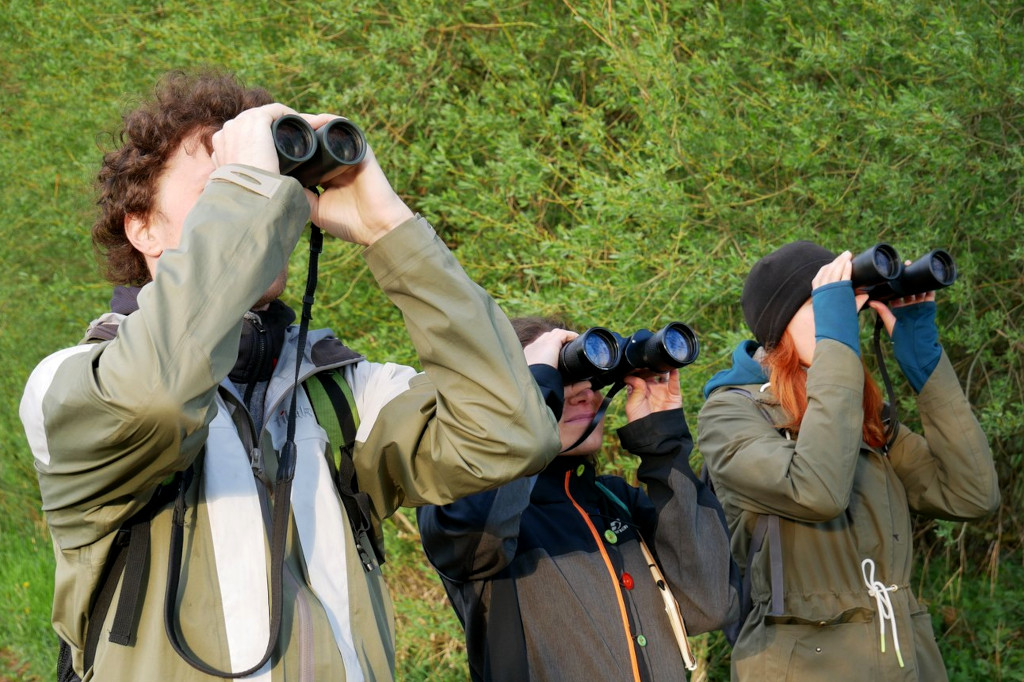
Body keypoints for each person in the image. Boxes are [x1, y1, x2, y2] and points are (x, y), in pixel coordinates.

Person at [19, 70, 561, 681]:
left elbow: (511, 431)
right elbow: (155, 397)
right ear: (142, 227)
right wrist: (246, 189)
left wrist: (389, 228)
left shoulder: (339, 393)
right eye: (222, 188)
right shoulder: (70, 383)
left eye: (277, 187)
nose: (267, 210)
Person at [697, 241, 1000, 681]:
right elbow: (817, 491)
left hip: (907, 657)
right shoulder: (729, 414)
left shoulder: (860, 413)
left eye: (844, 305)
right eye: (822, 304)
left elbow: (971, 495)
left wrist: (925, 364)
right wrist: (835, 346)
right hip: (806, 665)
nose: (841, 317)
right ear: (778, 324)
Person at [417, 316, 740, 682]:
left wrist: (664, 449)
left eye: (590, 377)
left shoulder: (616, 501)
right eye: (558, 380)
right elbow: (474, 528)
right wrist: (533, 398)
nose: (585, 390)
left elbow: (711, 606)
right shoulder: (465, 504)